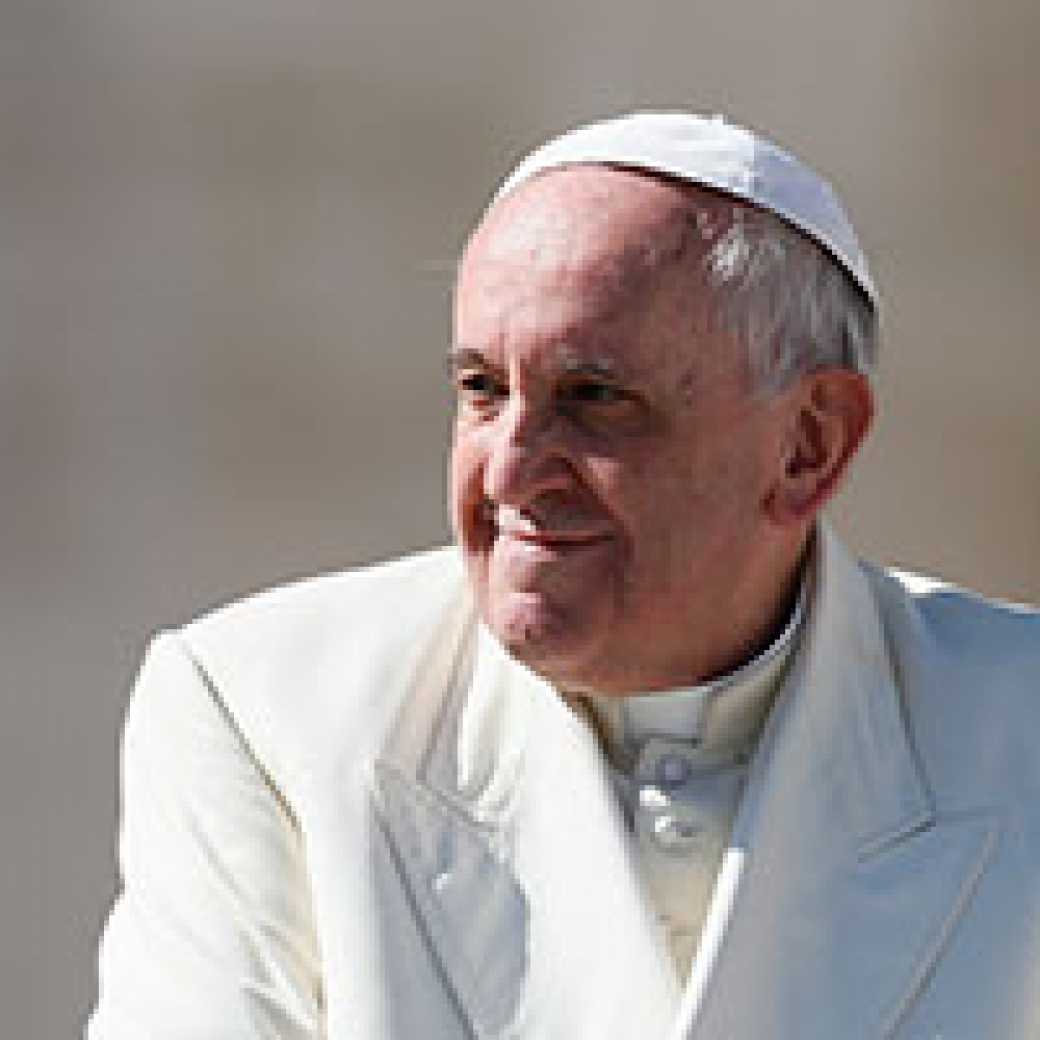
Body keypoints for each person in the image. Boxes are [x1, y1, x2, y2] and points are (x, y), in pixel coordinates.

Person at [88, 113, 1040, 1039]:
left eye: (594, 398)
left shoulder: (1018, 725)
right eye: (482, 390)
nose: (508, 469)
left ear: (807, 445)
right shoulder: (270, 710)